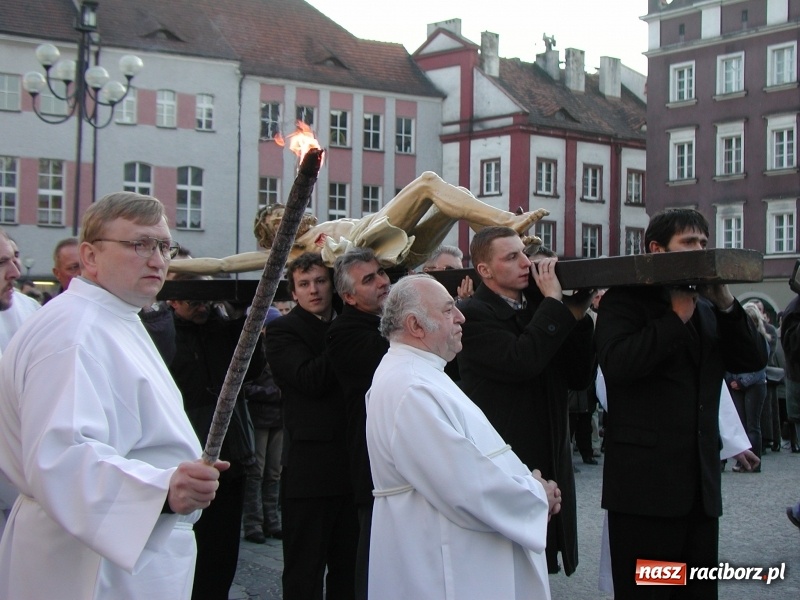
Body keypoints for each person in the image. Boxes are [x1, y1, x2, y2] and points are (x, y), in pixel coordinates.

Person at [0, 191, 226, 600]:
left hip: (128, 548)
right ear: (89, 256)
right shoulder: (73, 333)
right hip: (91, 562)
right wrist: (162, 489)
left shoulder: (112, 316)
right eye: (139, 244)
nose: (157, 259)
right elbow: (61, 457)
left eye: (163, 246)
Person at [594, 208, 766, 599]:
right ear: (657, 249)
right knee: (653, 592)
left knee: (695, 593)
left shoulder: (707, 305)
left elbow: (752, 359)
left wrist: (724, 302)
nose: (700, 250)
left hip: (699, 492)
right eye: (689, 243)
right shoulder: (625, 301)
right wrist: (673, 320)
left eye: (704, 243)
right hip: (647, 493)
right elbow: (619, 366)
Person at [366, 273, 562, 599]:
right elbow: (464, 485)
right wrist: (535, 494)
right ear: (416, 325)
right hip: (443, 556)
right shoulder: (411, 387)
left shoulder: (420, 373)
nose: (461, 316)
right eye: (448, 310)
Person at [456, 227, 595, 576]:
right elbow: (522, 361)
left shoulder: (538, 308)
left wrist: (575, 318)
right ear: (485, 270)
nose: (526, 263)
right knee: (506, 568)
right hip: (509, 454)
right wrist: (553, 305)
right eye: (511, 257)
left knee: (541, 563)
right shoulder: (472, 315)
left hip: (550, 451)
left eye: (524, 253)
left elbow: (579, 378)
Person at [169, 171, 548, 275]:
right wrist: (167, 264)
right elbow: (222, 265)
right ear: (271, 236)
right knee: (430, 183)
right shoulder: (292, 252)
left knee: (454, 198)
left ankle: (503, 236)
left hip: (400, 248)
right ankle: (506, 223)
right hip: (369, 243)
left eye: (283, 211)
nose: (283, 216)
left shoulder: (318, 228)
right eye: (274, 219)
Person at [264, 252, 358, 599]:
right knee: (304, 571)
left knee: (349, 570)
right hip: (310, 471)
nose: (314, 290)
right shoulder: (281, 331)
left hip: (352, 467)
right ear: (294, 291)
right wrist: (343, 332)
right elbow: (309, 380)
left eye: (320, 281)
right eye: (304, 284)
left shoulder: (350, 320)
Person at [166, 274, 264, 600]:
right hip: (187, 449)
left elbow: (252, 367)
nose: (203, 307)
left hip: (229, 451)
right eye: (194, 300)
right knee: (186, 543)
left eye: (207, 299)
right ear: (173, 301)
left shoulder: (222, 330)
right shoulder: (162, 335)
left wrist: (238, 318)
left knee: (222, 546)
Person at [326, 247, 391, 599]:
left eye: (381, 272)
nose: (383, 281)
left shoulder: (386, 319)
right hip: (374, 466)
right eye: (370, 279)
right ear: (348, 297)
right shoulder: (345, 333)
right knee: (373, 559)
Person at [241, 306, 285, 543]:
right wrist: (272, 393)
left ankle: (273, 521)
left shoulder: (281, 346)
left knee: (273, 472)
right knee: (256, 472)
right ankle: (254, 523)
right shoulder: (251, 350)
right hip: (259, 417)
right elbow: (244, 386)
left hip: (278, 417)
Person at [725, 302, 771, 471]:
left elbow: (759, 367)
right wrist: (732, 380)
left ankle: (754, 462)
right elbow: (729, 361)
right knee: (741, 426)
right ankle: (742, 460)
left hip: (754, 385)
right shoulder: (736, 340)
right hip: (737, 384)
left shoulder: (760, 340)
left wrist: (742, 382)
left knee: (753, 426)